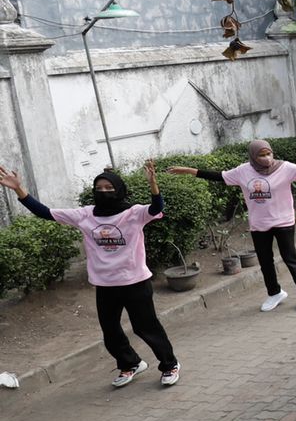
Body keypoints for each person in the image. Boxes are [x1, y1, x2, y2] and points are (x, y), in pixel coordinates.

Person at [0, 161, 181, 387]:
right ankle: (130, 364)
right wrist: (19, 189)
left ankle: (169, 364)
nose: (103, 192)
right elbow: (45, 212)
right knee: (110, 332)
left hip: (135, 281)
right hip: (105, 284)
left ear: (119, 189)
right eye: (99, 188)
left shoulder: (133, 213)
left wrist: (153, 185)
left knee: (146, 327)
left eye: (109, 188)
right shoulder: (85, 215)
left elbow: (156, 208)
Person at [168, 141, 296, 313]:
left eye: (269, 153)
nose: (267, 158)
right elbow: (218, 176)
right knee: (265, 261)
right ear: (253, 156)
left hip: (283, 221)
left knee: (290, 258)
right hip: (259, 224)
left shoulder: (285, 168)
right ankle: (275, 293)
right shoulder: (243, 171)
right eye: (262, 155)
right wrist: (188, 171)